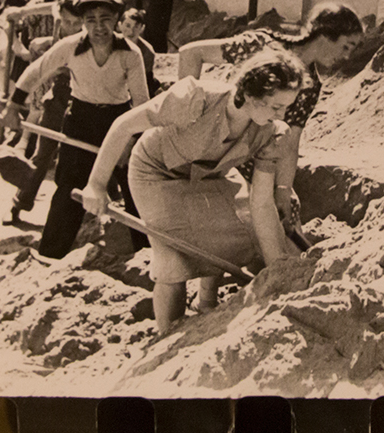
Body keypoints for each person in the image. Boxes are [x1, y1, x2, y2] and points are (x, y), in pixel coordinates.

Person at [82, 50, 308, 333]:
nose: (282, 115)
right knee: (173, 260)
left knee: (235, 234)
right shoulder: (195, 98)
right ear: (251, 95)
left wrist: (278, 272)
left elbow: (261, 204)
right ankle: (166, 334)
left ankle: (206, 306)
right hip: (155, 172)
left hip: (207, 176)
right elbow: (123, 125)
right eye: (276, 107)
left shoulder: (269, 133)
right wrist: (96, 184)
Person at [175, 3, 364, 235]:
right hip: (212, 146)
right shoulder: (262, 45)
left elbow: (290, 142)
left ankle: (273, 266)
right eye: (346, 46)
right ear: (325, 35)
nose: (346, 56)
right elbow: (191, 53)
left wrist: (284, 190)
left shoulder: (310, 85)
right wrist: (186, 118)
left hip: (250, 157)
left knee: (287, 208)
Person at [1, 0, 150, 258]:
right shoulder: (70, 46)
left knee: (135, 188)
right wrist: (13, 107)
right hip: (80, 120)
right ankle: (51, 254)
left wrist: (131, 141)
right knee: (69, 188)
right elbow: (36, 71)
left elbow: (141, 103)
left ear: (117, 19)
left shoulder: (130, 52)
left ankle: (149, 257)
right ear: (82, 22)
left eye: (105, 19)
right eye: (90, 20)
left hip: (118, 121)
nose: (98, 26)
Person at [8, 0, 84, 224]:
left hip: (85, 97)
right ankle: (18, 205)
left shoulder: (87, 33)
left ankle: (99, 212)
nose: (71, 27)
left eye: (76, 23)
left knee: (87, 153)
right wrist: (22, 12)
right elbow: (50, 6)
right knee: (42, 153)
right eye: (67, 22)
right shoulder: (59, 21)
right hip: (59, 95)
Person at [119, 7, 159, 97]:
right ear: (120, 25)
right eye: (127, 25)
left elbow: (143, 83)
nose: (131, 31)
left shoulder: (147, 51)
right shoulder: (110, 44)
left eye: (136, 27)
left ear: (142, 28)